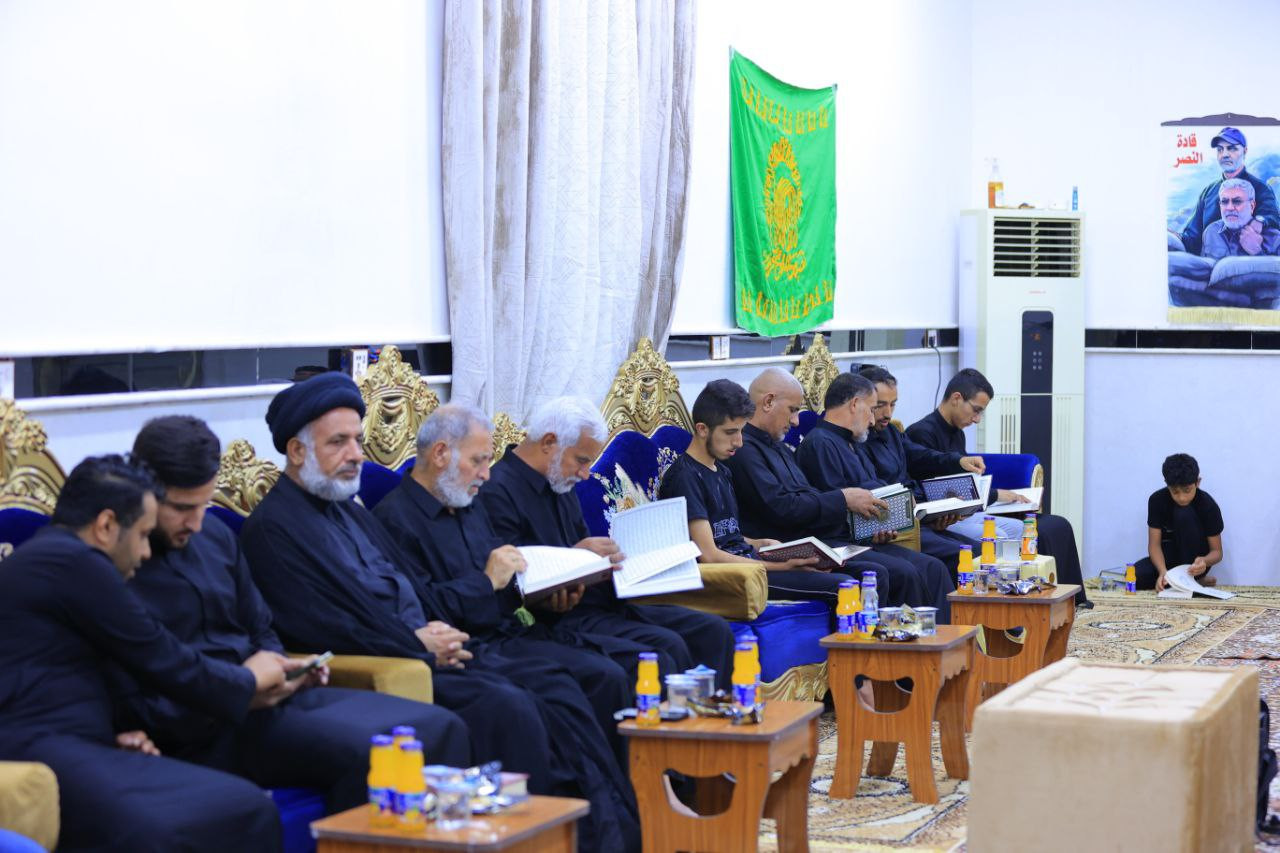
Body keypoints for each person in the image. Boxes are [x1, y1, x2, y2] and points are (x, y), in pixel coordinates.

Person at [240, 373, 639, 852]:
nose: (356, 455)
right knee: (516, 704)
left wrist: (437, 628)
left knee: (561, 688)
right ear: (296, 450)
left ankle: (602, 834)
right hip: (396, 664)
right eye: (338, 442)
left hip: (438, 647)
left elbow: (413, 592)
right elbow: (324, 625)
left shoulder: (349, 512)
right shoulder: (273, 529)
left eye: (358, 441)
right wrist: (416, 643)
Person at [122, 415, 470, 813]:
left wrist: (285, 669)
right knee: (369, 752)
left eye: (204, 504)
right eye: (183, 509)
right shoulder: (121, 563)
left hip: (272, 700)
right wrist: (242, 689)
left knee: (440, 725)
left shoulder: (214, 537)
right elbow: (146, 680)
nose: (197, 522)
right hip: (209, 723)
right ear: (146, 493)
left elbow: (260, 626)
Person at [0, 455, 287, 852]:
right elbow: (162, 656)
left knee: (234, 804)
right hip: (36, 754)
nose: (147, 552)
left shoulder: (52, 558)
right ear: (106, 526)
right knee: (245, 808)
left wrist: (109, 732)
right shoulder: (75, 563)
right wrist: (249, 681)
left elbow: (53, 674)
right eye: (142, 535)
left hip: (69, 742)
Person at [372, 403, 633, 756]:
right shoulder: (393, 520)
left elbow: (511, 584)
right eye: (478, 461)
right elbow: (424, 610)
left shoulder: (469, 505)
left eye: (487, 461)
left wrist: (547, 594)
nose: (486, 474)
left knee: (605, 674)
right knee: (559, 690)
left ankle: (627, 784)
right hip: (464, 651)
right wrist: (487, 582)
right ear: (440, 454)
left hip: (510, 636)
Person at [479, 396, 736, 691]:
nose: (586, 474)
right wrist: (574, 560)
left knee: (713, 630)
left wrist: (612, 560)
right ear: (549, 442)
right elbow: (511, 581)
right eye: (582, 460)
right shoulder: (497, 491)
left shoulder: (560, 480)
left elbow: (586, 547)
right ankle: (673, 721)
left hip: (605, 601)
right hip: (561, 619)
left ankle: (715, 718)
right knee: (666, 648)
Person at [719, 367, 950, 615]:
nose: (796, 421)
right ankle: (891, 639)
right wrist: (844, 499)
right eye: (793, 410)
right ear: (768, 402)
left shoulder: (780, 448)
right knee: (891, 573)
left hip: (820, 538)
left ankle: (925, 635)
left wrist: (866, 529)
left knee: (919, 568)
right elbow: (782, 508)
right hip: (789, 547)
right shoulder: (746, 451)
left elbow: (809, 496)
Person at [905, 367, 1089, 605]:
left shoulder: (957, 432)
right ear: (956, 398)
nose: (977, 419)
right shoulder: (921, 433)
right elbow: (938, 486)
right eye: (976, 410)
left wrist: (990, 495)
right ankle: (1002, 604)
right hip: (943, 518)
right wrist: (994, 495)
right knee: (997, 536)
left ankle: (1033, 596)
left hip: (965, 511)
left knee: (1020, 530)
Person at [657, 378, 851, 597]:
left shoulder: (721, 470)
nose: (739, 442)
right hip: (730, 578)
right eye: (730, 432)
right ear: (702, 429)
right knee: (843, 586)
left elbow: (727, 533)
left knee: (840, 573)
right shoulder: (686, 477)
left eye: (741, 431)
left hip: (747, 562)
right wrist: (781, 567)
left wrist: (761, 543)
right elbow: (709, 555)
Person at [792, 372, 956, 618]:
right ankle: (910, 638)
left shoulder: (851, 442)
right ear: (855, 404)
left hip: (867, 538)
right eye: (871, 409)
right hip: (840, 542)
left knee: (933, 567)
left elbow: (874, 489)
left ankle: (945, 637)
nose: (872, 420)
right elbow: (832, 507)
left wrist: (889, 518)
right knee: (909, 572)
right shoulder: (820, 444)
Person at [856, 365, 984, 576]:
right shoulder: (857, 439)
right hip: (893, 526)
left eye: (893, 404)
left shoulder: (891, 432)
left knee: (980, 551)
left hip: (918, 517)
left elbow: (919, 454)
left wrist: (958, 461)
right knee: (966, 556)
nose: (888, 414)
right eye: (880, 405)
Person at [1179, 126, 1280, 256]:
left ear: (1245, 151)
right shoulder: (1208, 192)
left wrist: (1260, 221)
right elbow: (1192, 237)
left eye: (1231, 148)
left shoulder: (1261, 189)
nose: (1225, 154)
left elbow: (1273, 218)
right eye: (1220, 149)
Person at [1131, 453, 1224, 592]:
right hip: (1169, 559)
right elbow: (1154, 545)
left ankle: (1194, 579)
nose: (1181, 498)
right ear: (1167, 485)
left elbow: (1217, 552)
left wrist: (1204, 561)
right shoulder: (1156, 500)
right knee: (1134, 576)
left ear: (1197, 482)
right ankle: (1184, 581)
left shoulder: (1208, 505)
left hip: (1194, 563)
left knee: (1183, 513)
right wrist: (1163, 572)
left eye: (1187, 491)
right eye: (1175, 492)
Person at [1201, 179, 1280, 259]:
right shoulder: (1211, 232)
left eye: (1237, 201)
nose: (1230, 208)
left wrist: (1257, 252)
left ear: (1252, 206)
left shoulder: (1275, 239)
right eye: (1224, 202)